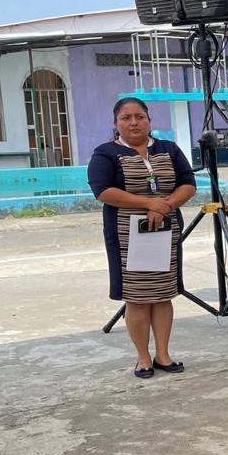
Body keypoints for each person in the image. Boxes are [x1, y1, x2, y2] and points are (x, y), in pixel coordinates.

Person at [87, 98, 196, 378]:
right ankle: (143, 357)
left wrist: (164, 206)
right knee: (137, 297)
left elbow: (187, 183)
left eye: (140, 116)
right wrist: (148, 203)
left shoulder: (168, 149)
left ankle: (163, 354)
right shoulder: (105, 153)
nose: (134, 122)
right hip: (126, 235)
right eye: (126, 118)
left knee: (163, 293)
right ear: (116, 123)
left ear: (149, 120)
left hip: (165, 232)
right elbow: (102, 191)